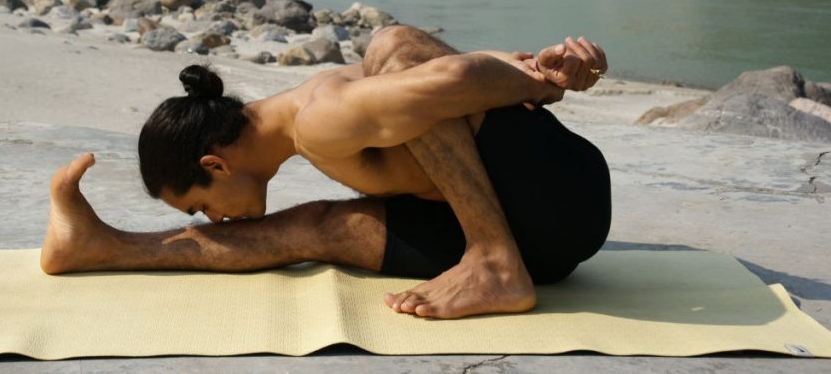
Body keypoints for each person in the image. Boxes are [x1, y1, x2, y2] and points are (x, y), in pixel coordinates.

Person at [41, 26, 610, 319]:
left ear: (215, 163)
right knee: (321, 225)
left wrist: (543, 81)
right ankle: (100, 246)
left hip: (557, 205)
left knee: (392, 48)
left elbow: (456, 78)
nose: (215, 217)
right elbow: (460, 82)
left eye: (200, 205)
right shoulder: (311, 107)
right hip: (549, 202)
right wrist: (543, 70)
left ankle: (493, 261)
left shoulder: (320, 122)